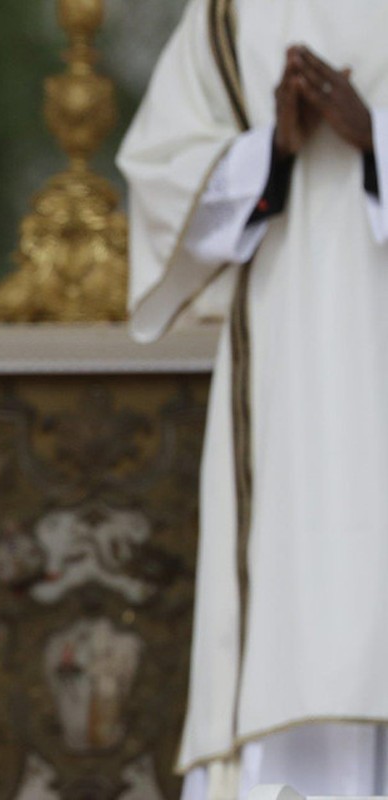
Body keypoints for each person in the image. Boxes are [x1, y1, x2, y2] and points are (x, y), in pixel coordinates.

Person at [119, 1, 388, 797]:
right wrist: (271, 148)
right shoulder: (232, 12)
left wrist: (372, 136)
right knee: (284, 605)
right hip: (284, 364)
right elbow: (162, 169)